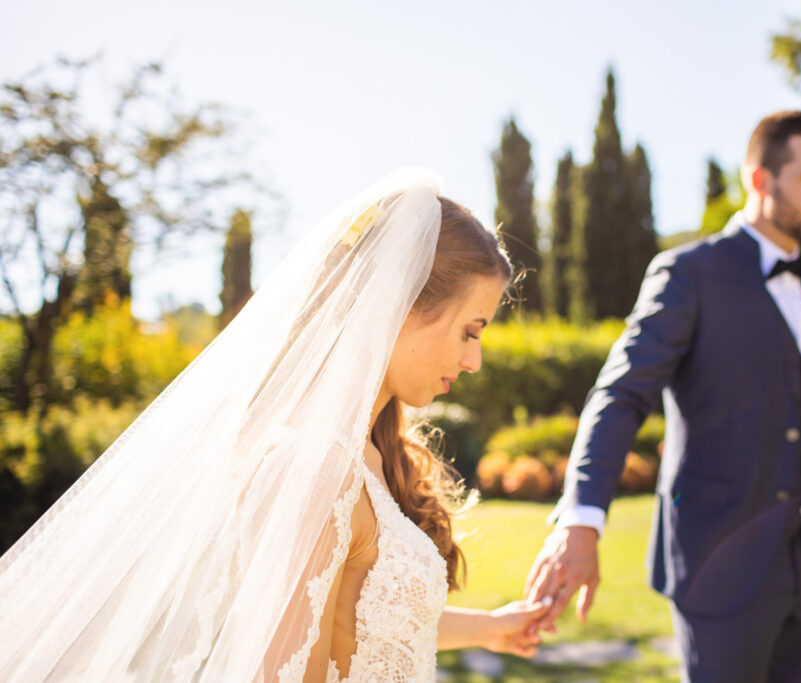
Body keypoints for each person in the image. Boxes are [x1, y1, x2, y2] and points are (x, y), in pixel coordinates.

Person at [0, 169, 548, 682]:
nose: (474, 360)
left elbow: (359, 619)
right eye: (470, 331)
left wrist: (492, 629)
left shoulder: (367, 455)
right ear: (400, 306)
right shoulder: (314, 467)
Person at [525, 112, 801, 682]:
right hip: (717, 565)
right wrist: (582, 519)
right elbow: (621, 394)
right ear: (760, 179)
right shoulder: (688, 273)